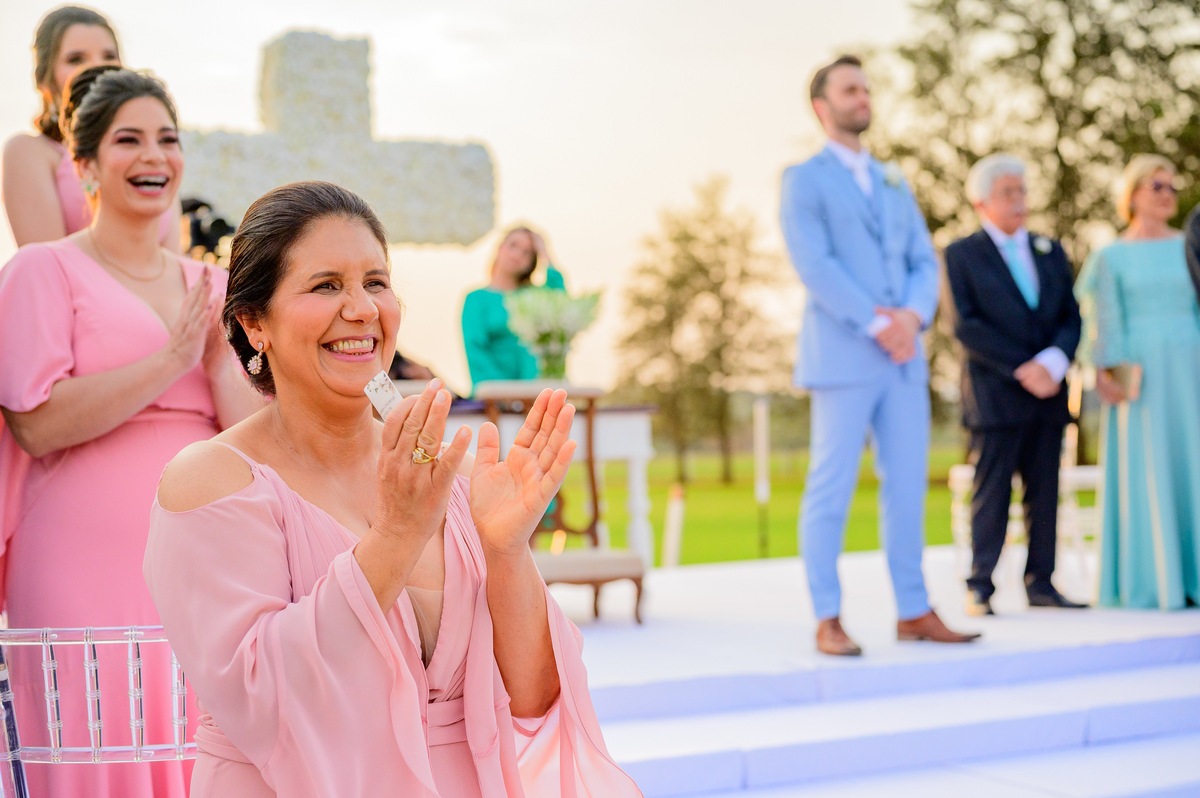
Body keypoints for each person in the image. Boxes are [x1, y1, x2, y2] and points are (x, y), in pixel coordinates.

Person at [144, 181, 641, 797]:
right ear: (253, 322)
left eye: (375, 282)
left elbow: (535, 697)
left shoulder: (450, 476)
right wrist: (398, 535)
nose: (362, 309)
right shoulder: (211, 481)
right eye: (327, 286)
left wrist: (506, 551)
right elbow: (261, 700)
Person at [0, 69, 260, 798]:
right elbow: (35, 423)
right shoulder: (41, 270)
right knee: (91, 746)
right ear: (84, 164)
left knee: (200, 751)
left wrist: (214, 366)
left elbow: (251, 437)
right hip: (77, 560)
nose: (154, 155)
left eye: (167, 139)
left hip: (201, 563)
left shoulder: (213, 287)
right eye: (129, 140)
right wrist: (170, 361)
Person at [780, 55, 979, 656]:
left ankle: (914, 610)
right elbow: (814, 262)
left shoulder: (894, 180)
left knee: (908, 488)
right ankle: (828, 616)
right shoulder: (803, 179)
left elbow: (923, 259)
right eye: (850, 90)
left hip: (903, 357)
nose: (863, 97)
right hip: (843, 354)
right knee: (831, 487)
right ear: (822, 106)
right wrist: (875, 322)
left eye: (866, 89)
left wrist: (912, 318)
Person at [944, 154, 1086, 615]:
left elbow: (1070, 316)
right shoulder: (961, 254)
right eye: (1008, 192)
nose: (1019, 200)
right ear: (981, 201)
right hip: (995, 395)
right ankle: (980, 586)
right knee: (992, 492)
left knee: (1045, 492)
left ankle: (1041, 582)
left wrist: (1053, 362)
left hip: (1050, 393)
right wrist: (1024, 368)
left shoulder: (1050, 250)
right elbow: (965, 325)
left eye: (1022, 190)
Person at [1076, 155, 1200, 610]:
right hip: (1140, 376)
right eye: (1156, 186)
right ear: (1131, 195)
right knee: (1147, 469)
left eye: (1172, 186)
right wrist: (1105, 370)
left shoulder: (1190, 245)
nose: (1168, 194)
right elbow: (1102, 320)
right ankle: (1152, 581)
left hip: (1192, 367)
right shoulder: (1110, 255)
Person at [1, 6, 180, 249]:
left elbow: (173, 260)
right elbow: (46, 264)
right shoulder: (29, 151)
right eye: (76, 59)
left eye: (108, 56)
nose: (98, 67)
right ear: (45, 79)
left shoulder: (153, 153)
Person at [461, 225, 565, 391]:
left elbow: (560, 302)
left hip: (535, 392)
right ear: (500, 247)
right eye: (513, 245)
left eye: (527, 253)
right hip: (493, 396)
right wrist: (505, 394)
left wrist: (544, 251)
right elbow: (476, 351)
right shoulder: (476, 299)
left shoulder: (533, 296)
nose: (517, 255)